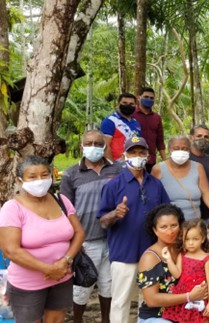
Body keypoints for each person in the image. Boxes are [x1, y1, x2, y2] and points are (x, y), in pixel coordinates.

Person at [0, 156, 85, 323]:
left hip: (62, 276)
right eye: (32, 176)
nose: (40, 180)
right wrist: (48, 269)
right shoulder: (12, 208)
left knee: (56, 319)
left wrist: (66, 261)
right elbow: (11, 250)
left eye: (44, 175)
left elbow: (79, 233)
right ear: (20, 180)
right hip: (28, 283)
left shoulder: (61, 200)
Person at [97, 136, 171, 323]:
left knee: (148, 300)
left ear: (148, 155)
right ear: (124, 155)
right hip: (124, 253)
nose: (137, 156)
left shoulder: (155, 184)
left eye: (141, 152)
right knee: (121, 301)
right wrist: (115, 213)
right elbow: (102, 221)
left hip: (152, 254)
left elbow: (166, 213)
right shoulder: (113, 185)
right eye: (133, 152)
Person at [60, 130, 122, 323]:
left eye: (98, 143)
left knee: (108, 285)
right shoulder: (71, 174)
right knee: (82, 288)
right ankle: (78, 320)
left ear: (104, 146)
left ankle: (106, 320)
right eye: (89, 143)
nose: (93, 147)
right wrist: (74, 242)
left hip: (113, 238)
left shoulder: (117, 170)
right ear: (82, 146)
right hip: (86, 241)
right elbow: (65, 210)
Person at [137, 204, 209, 323]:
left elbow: (199, 271)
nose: (170, 231)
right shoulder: (150, 257)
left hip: (186, 310)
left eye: (174, 225)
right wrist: (189, 296)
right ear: (155, 230)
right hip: (157, 316)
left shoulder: (182, 249)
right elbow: (151, 300)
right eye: (163, 227)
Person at [151, 136, 209, 243]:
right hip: (170, 231)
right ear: (169, 149)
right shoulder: (158, 169)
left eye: (184, 148)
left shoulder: (198, 167)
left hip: (194, 229)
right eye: (176, 148)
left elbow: (208, 196)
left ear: (189, 150)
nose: (180, 151)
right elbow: (152, 201)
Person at [161, 219, 209, 322]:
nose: (190, 243)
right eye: (187, 239)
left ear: (202, 239)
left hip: (200, 300)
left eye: (195, 239)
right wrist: (168, 259)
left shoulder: (206, 260)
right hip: (184, 299)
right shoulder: (183, 255)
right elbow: (177, 274)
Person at [132, 87, 167, 172]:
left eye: (151, 98)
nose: (149, 99)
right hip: (134, 159)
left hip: (151, 161)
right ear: (139, 97)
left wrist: (165, 161)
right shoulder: (131, 115)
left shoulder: (157, 118)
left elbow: (160, 141)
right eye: (146, 97)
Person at [101, 92, 142, 161]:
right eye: (124, 103)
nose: (128, 105)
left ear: (135, 106)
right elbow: (105, 146)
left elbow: (138, 144)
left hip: (133, 163)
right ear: (119, 104)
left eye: (131, 104)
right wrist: (112, 166)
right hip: (116, 163)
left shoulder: (136, 123)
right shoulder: (110, 121)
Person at [189, 125, 209, 220]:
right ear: (191, 138)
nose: (202, 139)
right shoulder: (185, 158)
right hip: (190, 209)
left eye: (206, 137)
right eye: (199, 136)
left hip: (207, 209)